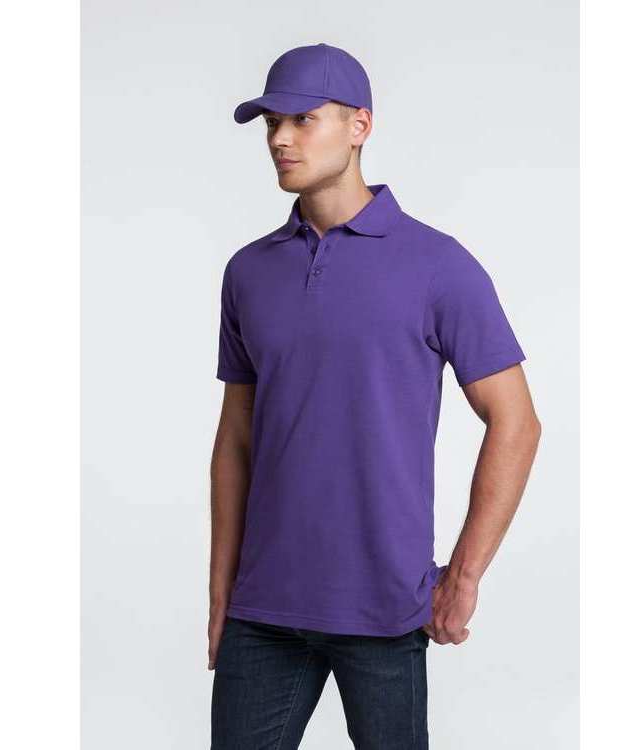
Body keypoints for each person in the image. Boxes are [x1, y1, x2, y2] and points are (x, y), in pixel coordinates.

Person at [208, 42, 541, 749]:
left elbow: (516, 420)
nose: (280, 138)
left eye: (303, 119)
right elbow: (236, 439)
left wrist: (463, 577)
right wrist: (221, 594)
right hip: (262, 612)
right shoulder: (249, 272)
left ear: (360, 125)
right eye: (271, 122)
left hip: (386, 611)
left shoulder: (438, 265)